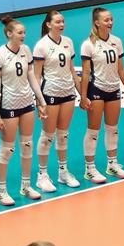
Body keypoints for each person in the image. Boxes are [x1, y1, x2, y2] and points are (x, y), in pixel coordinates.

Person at [0, 16, 46, 206]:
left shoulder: (26, 50)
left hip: (26, 104)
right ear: (9, 34)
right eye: (20, 33)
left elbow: (31, 77)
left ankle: (26, 185)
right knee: (7, 149)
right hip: (9, 106)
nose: (23, 36)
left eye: (24, 33)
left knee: (27, 145)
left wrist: (41, 100)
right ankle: (1, 191)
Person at [79, 7, 124, 183]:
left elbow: (120, 69)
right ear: (97, 22)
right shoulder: (88, 44)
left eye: (111, 19)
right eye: (106, 20)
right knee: (93, 131)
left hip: (113, 89)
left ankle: (112, 164)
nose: (110, 22)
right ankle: (90, 169)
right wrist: (83, 96)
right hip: (96, 90)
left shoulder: (116, 41)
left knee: (113, 129)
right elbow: (86, 73)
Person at [32, 10, 81, 193]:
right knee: (48, 135)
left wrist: (82, 93)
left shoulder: (68, 42)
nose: (62, 25)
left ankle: (63, 172)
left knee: (63, 134)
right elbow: (37, 76)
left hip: (68, 92)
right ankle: (42, 175)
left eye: (63, 21)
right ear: (48, 24)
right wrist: (39, 102)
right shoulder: (41, 46)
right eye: (58, 22)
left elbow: (72, 70)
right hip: (50, 94)